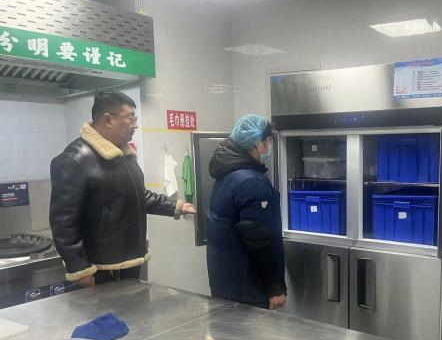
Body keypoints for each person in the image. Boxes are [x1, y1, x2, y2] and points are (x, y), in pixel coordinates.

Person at [49, 91, 195, 287]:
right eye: (130, 118)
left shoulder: (124, 155)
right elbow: (63, 223)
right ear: (108, 120)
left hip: (128, 263)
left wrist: (176, 207)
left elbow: (137, 196)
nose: (135, 125)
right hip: (101, 269)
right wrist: (79, 270)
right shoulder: (75, 159)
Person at [206, 114, 287, 310]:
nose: (269, 147)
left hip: (225, 282)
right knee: (252, 330)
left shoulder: (228, 175)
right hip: (249, 286)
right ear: (257, 143)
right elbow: (261, 241)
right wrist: (275, 287)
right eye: (268, 141)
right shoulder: (251, 182)